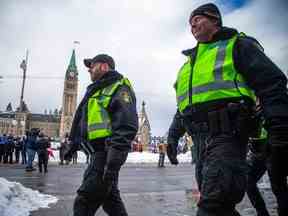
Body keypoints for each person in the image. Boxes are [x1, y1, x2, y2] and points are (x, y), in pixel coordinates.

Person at [168, 3, 288, 216]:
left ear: (214, 19)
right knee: (220, 207)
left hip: (228, 137)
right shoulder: (188, 65)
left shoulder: (237, 45)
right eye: (189, 22)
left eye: (197, 18)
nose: (192, 23)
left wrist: (279, 127)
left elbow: (272, 83)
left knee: (212, 206)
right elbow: (184, 107)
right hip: (200, 144)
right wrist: (172, 136)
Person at [64, 54, 138, 216]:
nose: (89, 69)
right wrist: (73, 144)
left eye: (92, 65)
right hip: (97, 154)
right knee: (110, 201)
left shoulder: (119, 88)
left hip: (105, 155)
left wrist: (112, 161)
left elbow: (126, 126)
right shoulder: (97, 90)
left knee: (84, 202)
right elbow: (83, 121)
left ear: (104, 66)